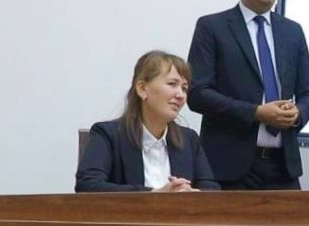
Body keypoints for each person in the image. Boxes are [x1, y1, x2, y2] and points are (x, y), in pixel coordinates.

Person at [187, 0, 309, 190]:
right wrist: (256, 113)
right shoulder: (212, 27)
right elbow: (197, 94)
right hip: (229, 169)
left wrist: (297, 113)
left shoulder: (292, 32)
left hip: (283, 169)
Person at [76, 51, 220, 192]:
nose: (181, 95)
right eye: (172, 84)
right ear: (142, 89)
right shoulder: (107, 134)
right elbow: (88, 185)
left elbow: (211, 190)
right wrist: (154, 195)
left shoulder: (189, 139)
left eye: (184, 88)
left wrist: (193, 194)